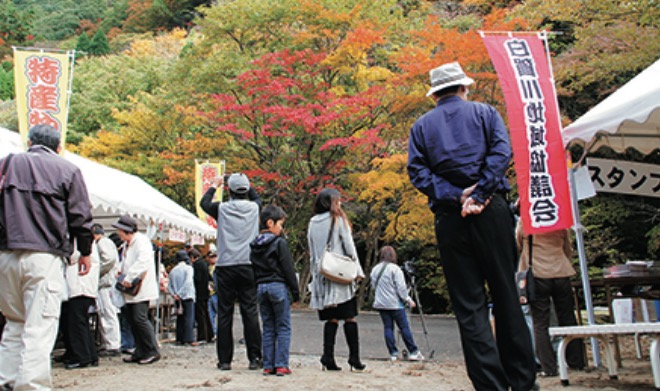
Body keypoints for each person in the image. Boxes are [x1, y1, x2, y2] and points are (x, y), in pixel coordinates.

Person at [407, 62, 536, 390]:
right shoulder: (486, 113)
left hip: (450, 220)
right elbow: (501, 152)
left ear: (434, 94)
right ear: (464, 87)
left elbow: (418, 172)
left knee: (469, 306)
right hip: (492, 212)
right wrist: (480, 193)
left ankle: (489, 384)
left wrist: (454, 195)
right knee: (507, 295)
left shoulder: (421, 127)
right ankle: (522, 381)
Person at [0, 124, 94, 390]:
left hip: (6, 254)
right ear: (59, 147)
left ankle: (6, 381)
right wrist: (85, 251)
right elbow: (81, 217)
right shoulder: (67, 170)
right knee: (39, 326)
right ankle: (31, 386)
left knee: (14, 322)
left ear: (29, 142)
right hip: (45, 255)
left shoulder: (5, 165)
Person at [200, 173, 262, 371]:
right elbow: (257, 198)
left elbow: (204, 203)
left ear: (229, 190)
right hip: (248, 264)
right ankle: (255, 358)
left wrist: (214, 185)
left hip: (226, 265)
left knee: (225, 313)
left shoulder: (222, 208)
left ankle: (225, 360)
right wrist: (248, 185)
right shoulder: (254, 208)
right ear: (246, 190)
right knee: (250, 311)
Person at [516, 219, 585, 377]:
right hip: (561, 271)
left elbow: (518, 245)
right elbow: (567, 248)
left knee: (540, 323)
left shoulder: (526, 221)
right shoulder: (559, 218)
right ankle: (576, 362)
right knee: (568, 317)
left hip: (537, 273)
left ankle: (549, 367)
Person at [307, 188, 366, 372]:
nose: (340, 203)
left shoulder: (312, 222)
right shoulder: (338, 219)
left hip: (323, 275)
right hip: (340, 274)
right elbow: (349, 247)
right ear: (332, 202)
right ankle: (354, 358)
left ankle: (328, 357)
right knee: (350, 317)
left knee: (331, 318)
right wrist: (357, 270)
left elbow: (312, 251)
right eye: (338, 200)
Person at [250, 205, 300, 376]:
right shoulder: (279, 243)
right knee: (283, 326)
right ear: (270, 223)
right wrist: (295, 292)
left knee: (268, 326)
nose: (281, 228)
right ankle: (281, 364)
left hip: (261, 287)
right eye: (280, 224)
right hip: (277, 286)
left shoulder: (254, 244)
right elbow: (288, 269)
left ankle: (268, 364)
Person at [112, 215, 161, 365]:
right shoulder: (129, 244)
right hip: (132, 289)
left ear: (126, 231)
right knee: (133, 320)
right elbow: (126, 261)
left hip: (141, 288)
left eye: (120, 230)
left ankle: (152, 350)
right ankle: (140, 351)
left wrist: (129, 276)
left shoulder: (141, 241)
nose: (119, 233)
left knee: (140, 319)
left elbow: (143, 261)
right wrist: (121, 271)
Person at [370, 246, 424, 362]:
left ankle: (393, 353)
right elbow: (401, 288)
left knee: (388, 327)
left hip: (381, 303)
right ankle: (413, 351)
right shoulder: (395, 269)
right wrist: (408, 299)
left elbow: (373, 286)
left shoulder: (375, 269)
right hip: (395, 304)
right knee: (404, 327)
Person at [60, 248, 100, 370]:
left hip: (80, 285)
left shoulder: (83, 244)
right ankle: (89, 355)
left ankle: (82, 356)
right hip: (80, 285)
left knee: (77, 323)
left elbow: (72, 257)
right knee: (80, 322)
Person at [93, 224, 122, 358]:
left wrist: (96, 272)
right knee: (106, 313)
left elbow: (108, 259)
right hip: (106, 283)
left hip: (105, 284)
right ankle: (109, 343)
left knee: (107, 313)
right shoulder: (106, 242)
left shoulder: (103, 243)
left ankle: (112, 344)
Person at [168, 250, 197, 346]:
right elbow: (188, 282)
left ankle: (179, 338)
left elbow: (169, 285)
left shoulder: (173, 270)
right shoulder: (188, 269)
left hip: (177, 298)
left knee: (180, 318)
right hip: (187, 295)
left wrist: (174, 294)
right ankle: (189, 338)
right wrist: (181, 293)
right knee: (189, 317)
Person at [191, 248, 213, 343]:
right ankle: (210, 334)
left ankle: (202, 336)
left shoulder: (197, 265)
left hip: (199, 293)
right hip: (205, 293)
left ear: (192, 257)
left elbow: (197, 278)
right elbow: (209, 277)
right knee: (206, 314)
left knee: (200, 315)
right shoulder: (204, 264)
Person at [206, 250, 219, 338]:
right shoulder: (206, 268)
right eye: (211, 257)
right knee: (210, 315)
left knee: (221, 314)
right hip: (209, 294)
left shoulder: (219, 268)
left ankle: (221, 333)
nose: (213, 259)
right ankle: (214, 333)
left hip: (216, 294)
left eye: (214, 257)